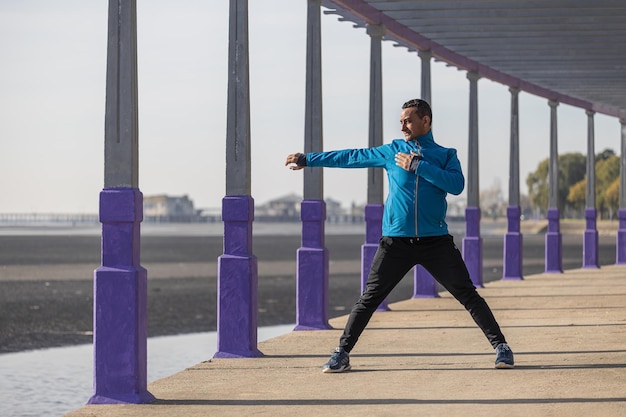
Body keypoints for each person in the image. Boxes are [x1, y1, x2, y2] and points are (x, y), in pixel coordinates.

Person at [284, 98, 514, 372]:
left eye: (408, 120)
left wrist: (419, 166)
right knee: (369, 298)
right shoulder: (392, 151)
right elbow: (352, 156)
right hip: (396, 242)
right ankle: (341, 353)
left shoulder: (445, 155)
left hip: (435, 242)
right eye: (401, 121)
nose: (403, 125)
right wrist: (309, 159)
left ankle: (502, 347)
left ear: (425, 121)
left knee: (467, 294)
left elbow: (456, 185)